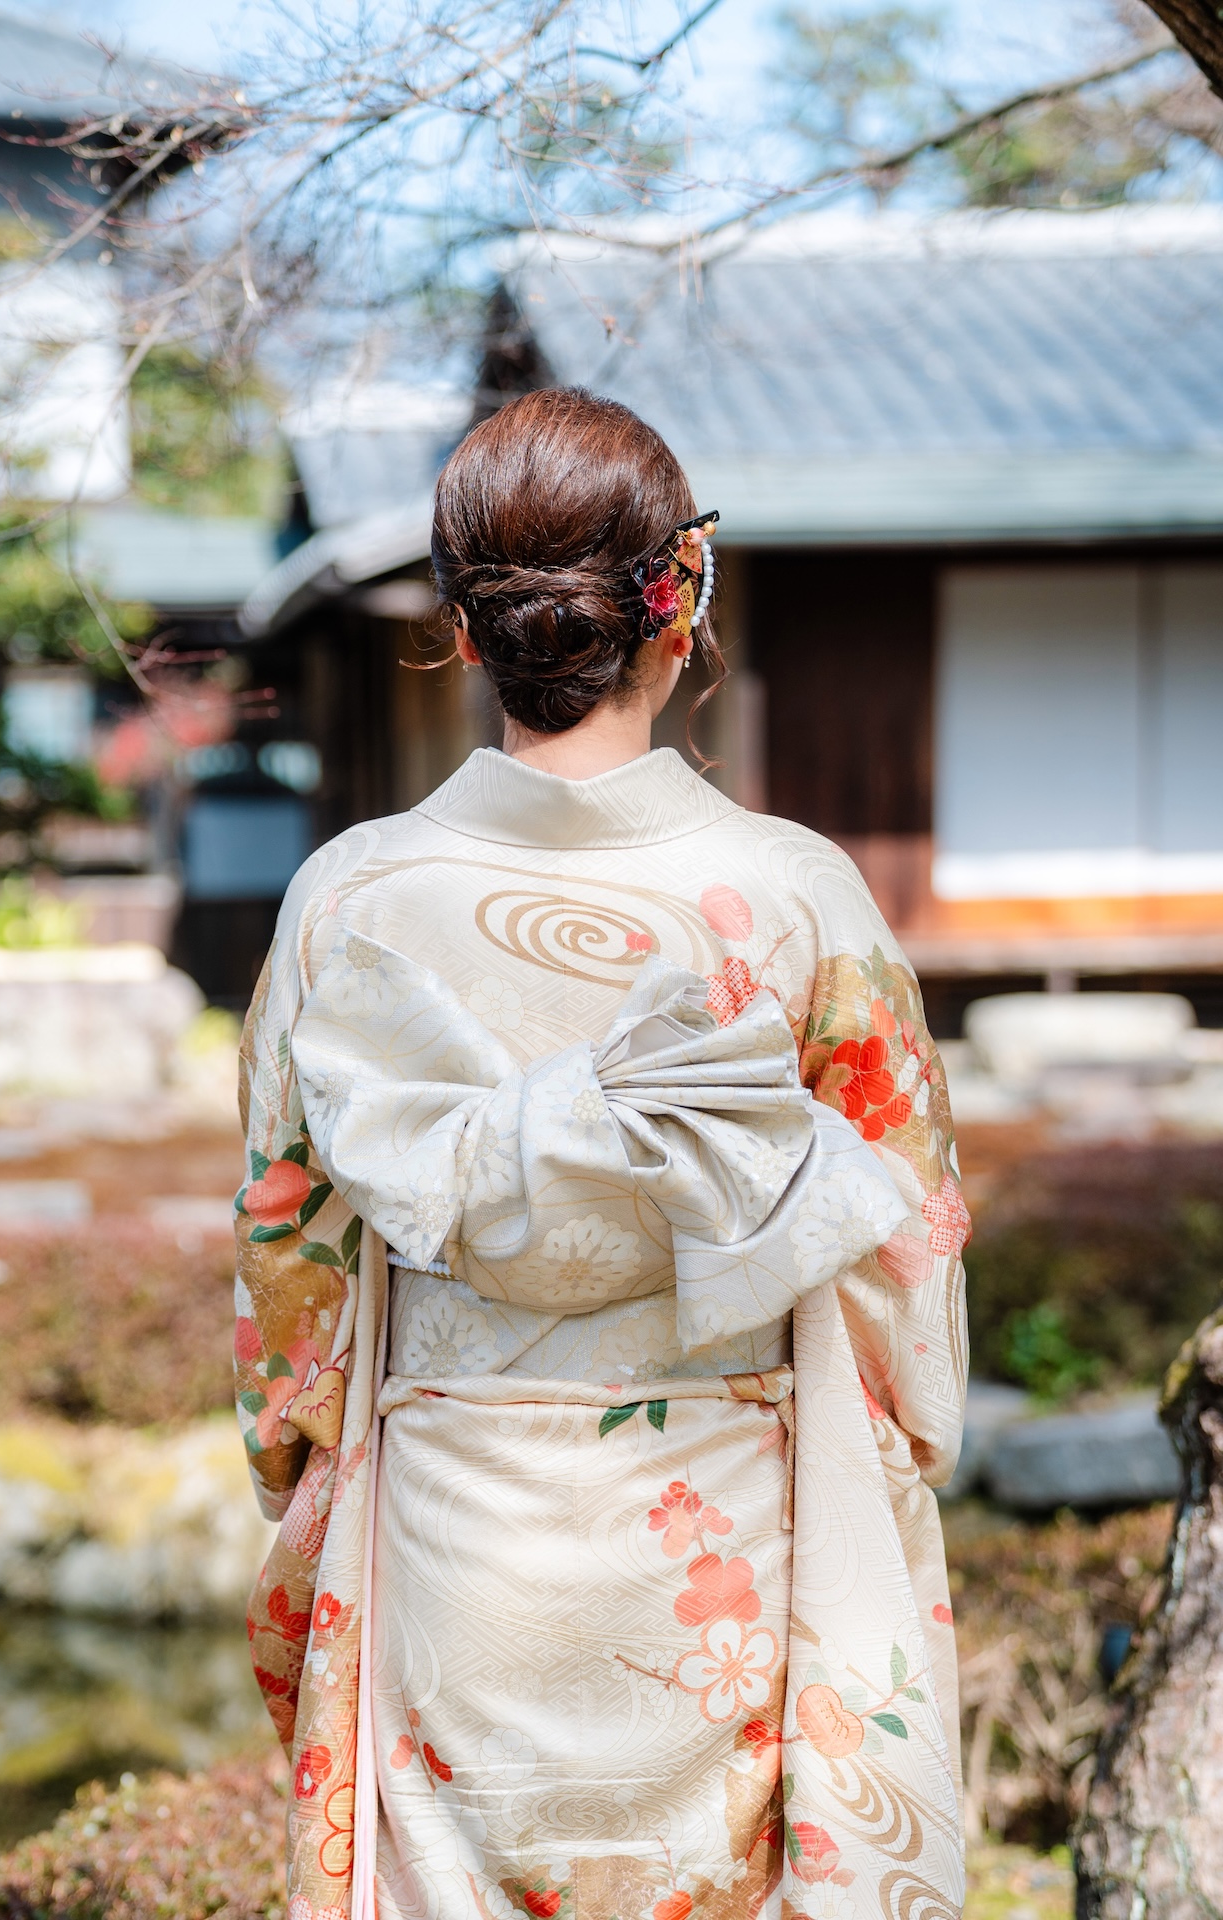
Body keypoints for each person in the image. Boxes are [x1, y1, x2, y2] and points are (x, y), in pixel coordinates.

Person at [236, 386, 970, 1920]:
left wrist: (300, 1455)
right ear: (679, 600)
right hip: (721, 1547)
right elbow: (902, 1244)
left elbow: (288, 1263)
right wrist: (900, 1440)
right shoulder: (798, 898)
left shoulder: (351, 900)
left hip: (448, 1539)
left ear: (460, 626)